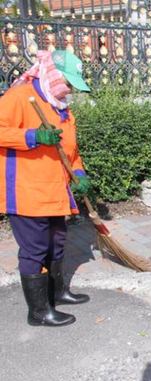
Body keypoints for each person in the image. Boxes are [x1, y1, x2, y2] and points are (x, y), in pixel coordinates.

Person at [0, 49, 92, 327]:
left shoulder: (62, 108)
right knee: (35, 249)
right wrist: (32, 136)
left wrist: (78, 172)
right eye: (67, 81)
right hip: (26, 191)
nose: (69, 89)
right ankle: (38, 312)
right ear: (52, 74)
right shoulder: (20, 97)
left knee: (56, 243)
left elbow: (71, 150)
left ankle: (57, 293)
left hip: (55, 191)